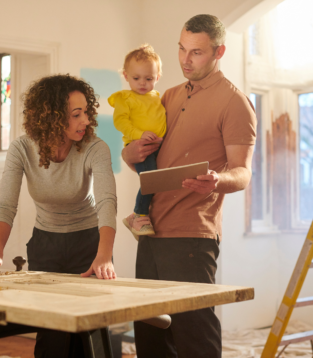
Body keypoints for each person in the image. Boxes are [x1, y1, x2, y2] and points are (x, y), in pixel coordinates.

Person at [122, 14, 257, 358]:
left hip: (192, 235)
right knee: (150, 333)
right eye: (182, 49)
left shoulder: (235, 103)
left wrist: (216, 181)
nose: (185, 59)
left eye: (196, 52)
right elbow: (143, 160)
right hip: (150, 230)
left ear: (218, 51)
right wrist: (130, 152)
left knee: (193, 333)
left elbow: (243, 172)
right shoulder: (165, 95)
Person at [0, 74, 117, 358]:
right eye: (76, 114)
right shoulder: (21, 149)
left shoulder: (95, 148)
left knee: (91, 338)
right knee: (52, 340)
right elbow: (5, 204)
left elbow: (107, 202)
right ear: (51, 117)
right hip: (45, 244)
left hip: (89, 244)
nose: (85, 120)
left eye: (86, 112)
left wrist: (105, 255)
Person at [108, 44, 166, 239]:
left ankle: (136, 216)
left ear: (157, 77)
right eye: (136, 78)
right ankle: (139, 215)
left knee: (159, 181)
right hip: (139, 146)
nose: (142, 83)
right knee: (151, 179)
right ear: (125, 76)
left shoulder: (157, 97)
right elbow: (120, 122)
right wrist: (138, 134)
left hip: (158, 146)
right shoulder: (125, 98)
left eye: (148, 78)